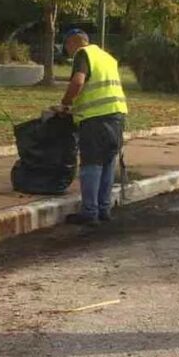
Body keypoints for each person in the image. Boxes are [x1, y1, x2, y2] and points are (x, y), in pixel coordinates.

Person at [55, 29, 128, 226]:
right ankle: (104, 209)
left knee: (91, 164)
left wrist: (65, 103)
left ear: (73, 43)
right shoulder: (107, 57)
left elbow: (78, 81)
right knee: (107, 162)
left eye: (67, 47)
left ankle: (89, 212)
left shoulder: (83, 54)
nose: (68, 52)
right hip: (117, 114)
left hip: (96, 118)